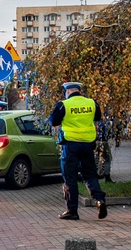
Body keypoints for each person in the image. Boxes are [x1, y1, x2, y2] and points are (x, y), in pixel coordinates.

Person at [49, 81, 106, 220]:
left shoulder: (64, 105)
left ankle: (72, 210)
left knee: (70, 178)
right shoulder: (92, 103)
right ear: (78, 90)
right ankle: (100, 201)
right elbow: (97, 118)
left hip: (70, 146)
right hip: (87, 145)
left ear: (67, 92)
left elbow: (53, 121)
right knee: (90, 175)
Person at [95, 117, 114, 183]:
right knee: (107, 159)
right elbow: (109, 133)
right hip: (103, 142)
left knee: (96, 158)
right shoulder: (104, 123)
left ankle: (94, 175)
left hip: (93, 142)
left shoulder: (92, 122)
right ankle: (107, 177)